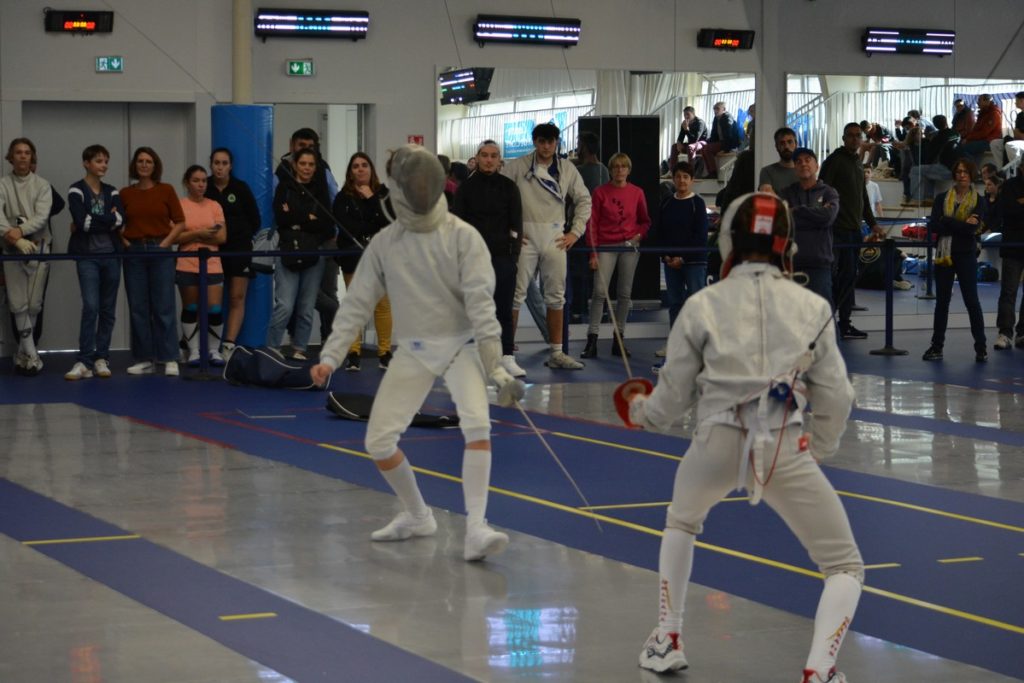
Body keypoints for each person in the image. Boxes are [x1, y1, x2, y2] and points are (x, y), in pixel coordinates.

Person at [627, 192, 862, 683]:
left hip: (714, 440)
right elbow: (836, 396)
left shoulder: (702, 304)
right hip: (781, 445)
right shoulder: (812, 306)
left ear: (729, 240)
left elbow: (671, 399)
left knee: (681, 522)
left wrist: (640, 410)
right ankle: (820, 670)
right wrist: (816, 449)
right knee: (843, 565)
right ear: (787, 245)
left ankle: (668, 638)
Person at [310, 145, 525, 562]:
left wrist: (495, 367)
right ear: (400, 189)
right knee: (378, 441)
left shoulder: (463, 237)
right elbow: (357, 303)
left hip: (461, 345)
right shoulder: (386, 243)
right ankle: (417, 515)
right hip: (414, 349)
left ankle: (477, 527)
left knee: (477, 426)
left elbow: (482, 308)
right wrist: (331, 357)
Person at [502, 122, 591, 370]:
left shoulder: (567, 168)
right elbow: (499, 196)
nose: (546, 146)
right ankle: (506, 354)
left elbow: (584, 200)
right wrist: (509, 231)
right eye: (542, 141)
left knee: (556, 296)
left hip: (555, 237)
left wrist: (575, 232)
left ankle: (557, 353)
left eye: (551, 142)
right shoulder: (518, 166)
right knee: (515, 296)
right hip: (525, 237)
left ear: (556, 143)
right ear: (535, 142)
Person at [452, 140, 523, 375]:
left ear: (499, 160)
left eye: (493, 156)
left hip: (503, 259)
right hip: (473, 260)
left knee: (504, 310)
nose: (489, 160)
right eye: (485, 155)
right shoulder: (465, 189)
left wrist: (513, 258)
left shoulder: (509, 187)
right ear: (477, 158)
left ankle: (507, 356)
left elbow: (516, 224)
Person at [120, 146, 186, 376]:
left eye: (149, 161)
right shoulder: (125, 193)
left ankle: (169, 357)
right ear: (134, 165)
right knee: (138, 307)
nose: (144, 165)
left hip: (161, 250)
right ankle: (144, 358)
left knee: (164, 306)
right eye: (140, 161)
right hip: (134, 253)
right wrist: (126, 242)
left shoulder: (166, 190)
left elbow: (180, 222)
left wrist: (166, 243)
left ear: (155, 165)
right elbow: (115, 222)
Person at [580, 153, 650, 359]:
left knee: (624, 294)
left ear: (629, 170)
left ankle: (619, 339)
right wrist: (593, 252)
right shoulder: (600, 192)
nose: (620, 170)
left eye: (623, 166)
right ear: (610, 170)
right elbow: (592, 223)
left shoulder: (637, 192)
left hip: (629, 247)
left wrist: (638, 236)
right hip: (605, 246)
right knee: (599, 292)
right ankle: (592, 339)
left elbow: (645, 221)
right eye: (616, 167)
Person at [267, 147, 334, 360]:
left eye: (311, 164)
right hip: (287, 251)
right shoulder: (284, 187)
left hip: (314, 253)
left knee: (306, 306)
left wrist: (296, 218)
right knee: (285, 305)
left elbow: (326, 224)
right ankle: (272, 347)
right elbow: (281, 218)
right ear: (295, 165)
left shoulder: (321, 190)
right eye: (303, 163)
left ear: (316, 167)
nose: (306, 168)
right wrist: (308, 217)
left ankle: (300, 348)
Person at [819, 122, 884, 340]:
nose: (855, 139)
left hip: (854, 230)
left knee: (848, 278)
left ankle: (844, 323)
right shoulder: (834, 161)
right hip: (836, 230)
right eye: (851, 135)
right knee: (831, 278)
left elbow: (863, 197)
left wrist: (873, 223)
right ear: (844, 138)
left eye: (858, 135)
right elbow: (823, 191)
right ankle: (824, 323)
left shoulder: (857, 162)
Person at [65, 144, 124, 380]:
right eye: (99, 161)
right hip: (87, 256)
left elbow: (120, 220)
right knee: (91, 306)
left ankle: (102, 357)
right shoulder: (76, 189)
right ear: (86, 163)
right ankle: (84, 360)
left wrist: (98, 220)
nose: (104, 165)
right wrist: (107, 219)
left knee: (108, 308)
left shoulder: (112, 191)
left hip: (111, 256)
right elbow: (82, 222)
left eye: (106, 161)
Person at [332, 152, 394, 371]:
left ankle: (385, 352)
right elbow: (347, 226)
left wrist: (371, 199)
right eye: (356, 166)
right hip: (353, 257)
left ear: (371, 169)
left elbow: (390, 222)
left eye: (364, 165)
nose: (360, 169)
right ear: (350, 172)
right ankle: (353, 352)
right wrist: (371, 226)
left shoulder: (383, 194)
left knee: (382, 305)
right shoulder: (342, 197)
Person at [922, 159, 988, 363]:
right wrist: (960, 224)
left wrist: (947, 220)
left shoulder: (979, 201)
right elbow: (935, 225)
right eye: (958, 171)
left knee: (972, 301)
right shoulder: (941, 198)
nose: (962, 175)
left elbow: (971, 229)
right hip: (945, 255)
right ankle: (936, 346)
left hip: (966, 254)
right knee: (942, 302)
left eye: (965, 171)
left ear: (971, 175)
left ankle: (981, 347)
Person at [0, 138, 52, 376]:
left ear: (32, 157)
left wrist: (20, 231)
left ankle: (24, 353)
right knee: (17, 302)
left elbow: (42, 216)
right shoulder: (3, 184)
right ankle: (31, 354)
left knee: (33, 303)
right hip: (11, 249)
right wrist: (14, 238)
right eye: (18, 152)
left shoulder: (42, 185)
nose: (22, 156)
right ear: (11, 157)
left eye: (27, 152)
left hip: (38, 247)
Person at [652, 161, 708, 373]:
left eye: (686, 177)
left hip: (694, 263)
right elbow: (660, 232)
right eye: (678, 177)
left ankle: (698, 348)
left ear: (692, 180)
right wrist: (666, 255)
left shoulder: (698, 204)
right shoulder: (667, 203)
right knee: (675, 304)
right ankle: (675, 345)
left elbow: (700, 236)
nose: (682, 180)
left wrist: (683, 258)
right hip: (670, 263)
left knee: (695, 304)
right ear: (673, 179)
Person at [205, 147, 261, 357]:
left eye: (224, 163)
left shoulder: (240, 188)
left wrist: (238, 235)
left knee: (237, 297)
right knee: (212, 302)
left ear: (231, 166)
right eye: (216, 163)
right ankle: (209, 348)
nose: (220, 167)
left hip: (239, 250)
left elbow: (255, 220)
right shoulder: (205, 187)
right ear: (211, 164)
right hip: (212, 251)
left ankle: (228, 344)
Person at [176, 165, 226, 366]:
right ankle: (194, 350)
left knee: (214, 308)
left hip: (212, 263)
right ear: (187, 182)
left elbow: (221, 237)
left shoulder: (214, 206)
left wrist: (194, 236)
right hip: (186, 263)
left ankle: (214, 350)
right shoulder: (180, 205)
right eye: (196, 180)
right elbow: (175, 236)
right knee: (191, 307)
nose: (201, 185)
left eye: (204, 181)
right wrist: (199, 234)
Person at [780, 148, 839, 304]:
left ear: (816, 166)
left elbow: (828, 217)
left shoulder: (829, 192)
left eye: (807, 160)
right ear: (794, 168)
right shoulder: (786, 193)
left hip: (819, 266)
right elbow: (783, 220)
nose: (803, 164)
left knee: (822, 314)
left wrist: (797, 211)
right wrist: (816, 215)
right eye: (798, 162)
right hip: (791, 265)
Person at [993, 172, 1024, 349]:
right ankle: (1005, 332)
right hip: (1012, 247)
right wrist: (1017, 207)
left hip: (1015, 242)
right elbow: (1008, 211)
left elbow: (1016, 210)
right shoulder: (1010, 185)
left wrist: (1021, 203)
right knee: (1008, 291)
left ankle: (1022, 332)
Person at [698, 102, 740, 179]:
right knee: (703, 148)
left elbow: (729, 136)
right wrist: (708, 143)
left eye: (717, 109)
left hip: (729, 143)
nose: (715, 111)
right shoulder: (716, 118)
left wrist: (726, 150)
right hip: (721, 141)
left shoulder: (727, 117)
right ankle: (710, 172)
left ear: (724, 109)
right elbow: (714, 135)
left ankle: (713, 173)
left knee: (707, 149)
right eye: (714, 109)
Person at [758, 127, 798, 194]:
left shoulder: (804, 170)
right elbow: (767, 196)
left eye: (790, 142)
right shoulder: (767, 171)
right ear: (777, 147)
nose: (786, 146)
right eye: (782, 143)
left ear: (796, 144)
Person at [997, 92, 1024, 178]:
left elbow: (1019, 134)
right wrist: (1018, 134)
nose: (1015, 103)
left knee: (1009, 144)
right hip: (1019, 140)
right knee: (995, 143)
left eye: (1017, 100)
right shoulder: (1020, 115)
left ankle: (1013, 172)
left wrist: (1018, 133)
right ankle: (1002, 168)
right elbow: (1016, 133)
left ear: (1022, 100)